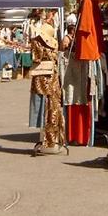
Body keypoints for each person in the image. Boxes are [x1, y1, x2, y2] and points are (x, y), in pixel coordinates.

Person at [30, 13, 65, 155]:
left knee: (41, 108)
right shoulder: (55, 44)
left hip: (41, 78)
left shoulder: (36, 42)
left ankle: (46, 141)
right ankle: (53, 141)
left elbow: (35, 58)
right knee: (53, 108)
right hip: (53, 77)